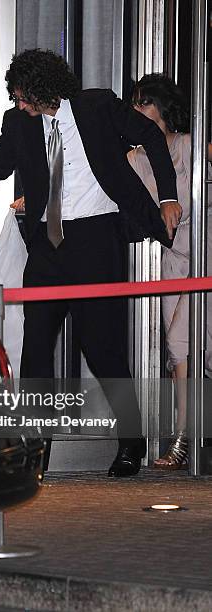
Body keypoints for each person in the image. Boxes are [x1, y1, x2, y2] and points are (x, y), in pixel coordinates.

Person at [0, 49, 182, 477]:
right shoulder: (19, 125)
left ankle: (131, 441)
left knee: (102, 349)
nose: (17, 104)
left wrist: (167, 197)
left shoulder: (97, 106)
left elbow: (153, 138)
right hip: (47, 248)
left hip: (96, 240)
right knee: (35, 352)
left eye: (20, 95)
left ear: (42, 90)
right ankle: (37, 448)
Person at [128, 74, 212, 469]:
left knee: (182, 343)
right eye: (135, 104)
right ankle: (189, 435)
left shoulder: (190, 146)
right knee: (182, 350)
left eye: (145, 103)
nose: (137, 111)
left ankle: (183, 440)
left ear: (164, 110)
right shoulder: (133, 158)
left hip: (206, 252)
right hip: (172, 259)